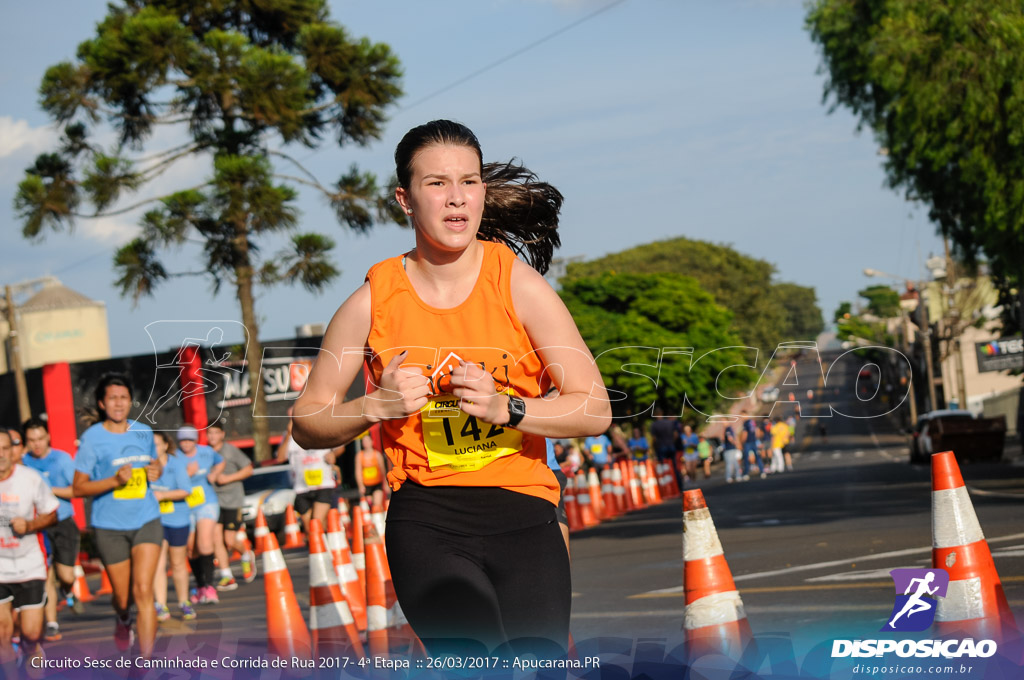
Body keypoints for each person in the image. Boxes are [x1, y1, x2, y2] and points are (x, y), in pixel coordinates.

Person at [291, 120, 611, 657]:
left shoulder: (520, 286)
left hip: (525, 514)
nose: (457, 197)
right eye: (437, 183)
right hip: (427, 520)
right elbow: (306, 422)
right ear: (405, 199)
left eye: (469, 181)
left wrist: (505, 408)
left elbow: (594, 408)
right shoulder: (371, 303)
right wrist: (374, 405)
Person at [72, 373, 163, 656]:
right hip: (109, 525)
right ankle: (123, 617)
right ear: (102, 403)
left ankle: (146, 661)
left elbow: (155, 461)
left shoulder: (143, 432)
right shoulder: (91, 439)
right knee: (122, 597)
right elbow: (78, 487)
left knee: (144, 590)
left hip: (146, 518)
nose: (119, 403)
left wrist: (156, 469)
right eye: (112, 398)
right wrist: (114, 481)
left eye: (123, 397)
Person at [0, 429, 58, 675]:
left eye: (5, 448)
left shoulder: (29, 478)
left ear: (12, 450)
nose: (1, 454)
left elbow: (52, 513)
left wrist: (31, 525)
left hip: (30, 564)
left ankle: (30, 651)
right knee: (2, 634)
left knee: (31, 634)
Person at [21, 418, 82, 643]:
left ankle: (67, 590)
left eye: (40, 438)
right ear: (25, 442)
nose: (36, 444)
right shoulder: (22, 463)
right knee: (45, 573)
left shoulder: (62, 459)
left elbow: (76, 490)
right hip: (37, 526)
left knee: (66, 575)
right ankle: (52, 623)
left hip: (63, 522)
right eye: (31, 440)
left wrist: (47, 490)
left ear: (48, 437)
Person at [175, 425, 224, 605]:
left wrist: (215, 474)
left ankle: (210, 587)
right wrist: (186, 475)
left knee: (204, 544)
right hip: (185, 505)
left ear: (195, 441)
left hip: (206, 502)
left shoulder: (206, 453)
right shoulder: (175, 457)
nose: (186, 444)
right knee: (190, 548)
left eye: (189, 440)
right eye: (183, 441)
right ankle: (201, 585)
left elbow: (221, 461)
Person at [149, 432, 194, 622]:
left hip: (178, 519)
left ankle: (184, 602)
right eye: (151, 445)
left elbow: (186, 490)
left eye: (157, 444)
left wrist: (162, 496)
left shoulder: (176, 465)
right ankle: (160, 604)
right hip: (155, 520)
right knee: (158, 563)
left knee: (177, 563)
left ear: (166, 445)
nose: (154, 449)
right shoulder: (146, 468)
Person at [274, 411, 340, 534]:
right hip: (302, 488)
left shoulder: (320, 430)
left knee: (317, 523)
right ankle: (323, 546)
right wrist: (288, 434)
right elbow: (280, 458)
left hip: (323, 485)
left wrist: (333, 453)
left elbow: (340, 447)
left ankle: (326, 547)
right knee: (310, 528)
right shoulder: (290, 437)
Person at [207, 423, 255, 590]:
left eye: (215, 432)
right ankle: (227, 576)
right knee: (216, 539)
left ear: (222, 434)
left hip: (233, 501)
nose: (212, 436)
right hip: (213, 502)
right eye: (209, 433)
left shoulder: (230, 450)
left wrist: (228, 478)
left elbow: (249, 469)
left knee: (229, 540)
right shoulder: (205, 452)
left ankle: (246, 554)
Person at [355, 434, 389, 510]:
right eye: (364, 441)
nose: (366, 443)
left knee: (377, 505)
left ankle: (378, 520)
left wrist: (386, 484)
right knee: (368, 506)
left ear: (371, 442)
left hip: (377, 483)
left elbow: (383, 470)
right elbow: (358, 471)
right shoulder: (359, 456)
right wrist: (360, 485)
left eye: (367, 441)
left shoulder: (377, 454)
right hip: (366, 485)